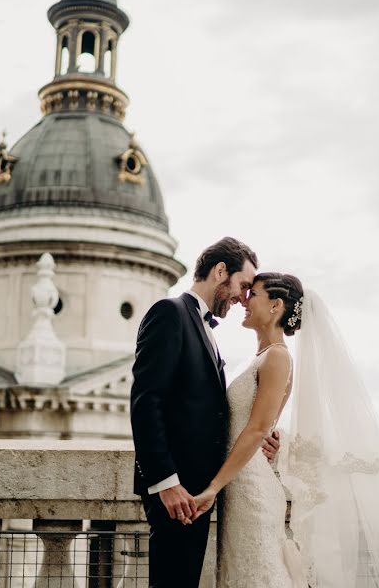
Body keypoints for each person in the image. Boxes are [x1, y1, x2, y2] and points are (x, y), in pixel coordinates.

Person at [192, 273, 379, 588]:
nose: (243, 299)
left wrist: (213, 486)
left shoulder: (278, 358)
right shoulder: (258, 359)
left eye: (252, 294)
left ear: (276, 306)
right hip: (239, 482)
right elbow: (260, 425)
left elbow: (257, 429)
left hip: (249, 488)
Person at [130, 237, 280, 588]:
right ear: (220, 272)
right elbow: (145, 402)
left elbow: (209, 411)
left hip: (195, 493)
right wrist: (165, 483)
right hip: (177, 493)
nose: (244, 297)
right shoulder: (170, 313)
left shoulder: (204, 327)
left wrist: (260, 437)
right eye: (243, 286)